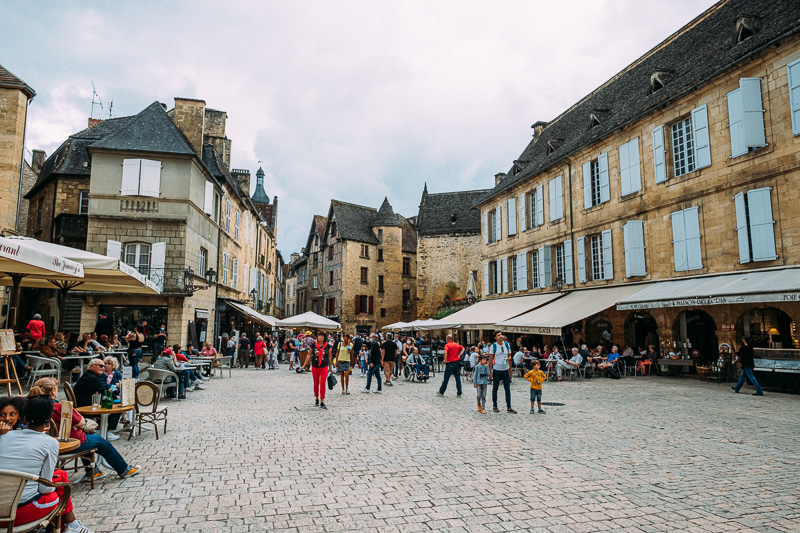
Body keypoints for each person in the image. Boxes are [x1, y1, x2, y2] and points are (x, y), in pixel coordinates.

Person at [0, 395, 96, 532]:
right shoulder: (50, 443)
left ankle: (72, 526)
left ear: (24, 418)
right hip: (19, 514)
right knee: (59, 493)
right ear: (48, 422)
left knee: (60, 475)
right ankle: (71, 526)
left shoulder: (5, 437)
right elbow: (44, 488)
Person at [27, 378, 139, 482]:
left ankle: (93, 471)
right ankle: (124, 469)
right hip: (69, 443)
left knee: (88, 438)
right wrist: (77, 425)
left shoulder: (31, 406)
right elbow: (81, 422)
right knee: (102, 443)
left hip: (46, 444)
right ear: (53, 391)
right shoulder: (60, 407)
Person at [73, 359, 123, 440]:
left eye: (104, 366)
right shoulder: (91, 378)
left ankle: (102, 429)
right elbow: (103, 391)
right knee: (118, 406)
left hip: (84, 403)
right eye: (101, 366)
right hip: (86, 405)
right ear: (92, 366)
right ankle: (108, 431)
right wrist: (117, 397)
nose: (103, 368)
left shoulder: (89, 376)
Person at [490, 332, 516, 413]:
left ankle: (509, 406)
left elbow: (510, 355)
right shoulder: (493, 346)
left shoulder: (507, 345)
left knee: (507, 389)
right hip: (497, 369)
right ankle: (495, 405)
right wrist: (490, 371)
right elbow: (490, 359)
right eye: (498, 335)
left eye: (501, 335)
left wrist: (509, 358)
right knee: (495, 388)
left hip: (505, 369)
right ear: (495, 338)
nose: (500, 336)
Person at [310, 333, 332, 409]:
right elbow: (309, 355)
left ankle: (322, 401)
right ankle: (316, 398)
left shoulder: (328, 346)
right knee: (316, 383)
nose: (320, 337)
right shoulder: (313, 345)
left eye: (322, 336)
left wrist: (330, 366)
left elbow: (329, 356)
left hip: (324, 366)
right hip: (315, 366)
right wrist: (304, 365)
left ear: (324, 338)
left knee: (322, 383)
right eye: (319, 335)